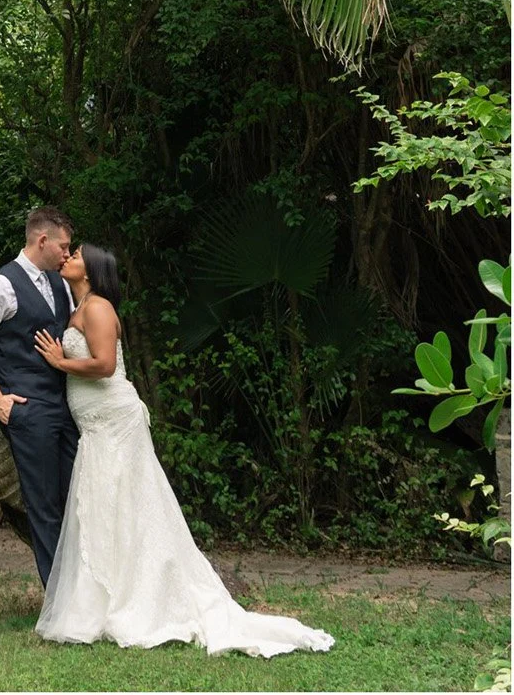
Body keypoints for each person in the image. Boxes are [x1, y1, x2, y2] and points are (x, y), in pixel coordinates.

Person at [32, 241, 335, 657]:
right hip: (96, 425)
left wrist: (60, 363)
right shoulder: (78, 308)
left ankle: (141, 599)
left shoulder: (99, 307)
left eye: (77, 255)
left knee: (127, 505)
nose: (68, 258)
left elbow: (103, 366)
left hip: (114, 421)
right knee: (104, 507)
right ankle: (99, 602)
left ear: (92, 270)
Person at [0, 206, 80, 585]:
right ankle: (59, 601)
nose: (67, 254)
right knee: (43, 507)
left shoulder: (60, 283)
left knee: (76, 499)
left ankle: (84, 592)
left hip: (66, 408)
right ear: (42, 240)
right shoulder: (1, 285)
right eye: (63, 246)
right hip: (29, 411)